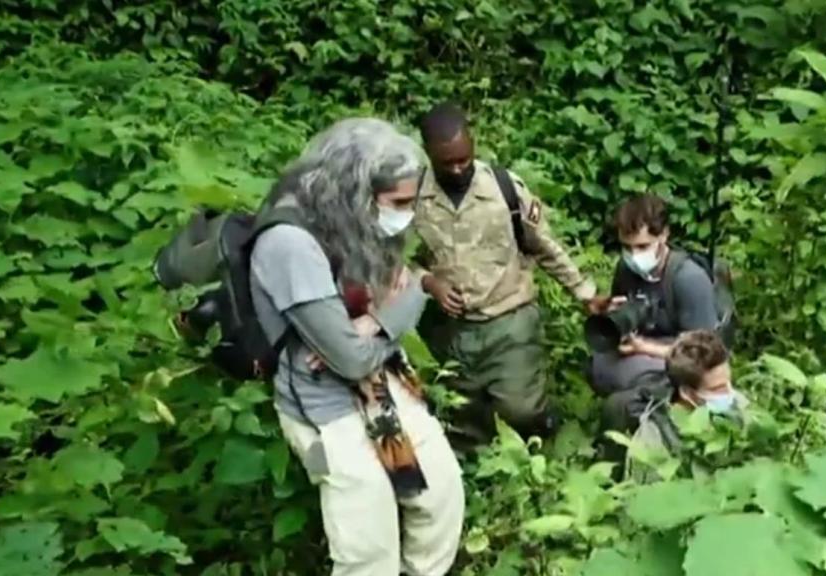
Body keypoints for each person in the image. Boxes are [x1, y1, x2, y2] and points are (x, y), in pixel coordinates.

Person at [249, 118, 465, 576]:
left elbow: (380, 299)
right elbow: (350, 358)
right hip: (321, 401)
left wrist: (370, 325)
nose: (406, 215)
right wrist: (410, 298)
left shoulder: (348, 217)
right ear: (357, 189)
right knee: (368, 545)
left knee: (440, 491)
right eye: (398, 203)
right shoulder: (289, 241)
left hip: (382, 380)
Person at [410, 101, 598, 449]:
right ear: (428, 153)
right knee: (463, 417)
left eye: (463, 159)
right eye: (446, 162)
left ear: (473, 143)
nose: (456, 169)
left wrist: (585, 292)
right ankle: (482, 474)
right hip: (451, 327)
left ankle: (542, 441)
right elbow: (396, 261)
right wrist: (428, 282)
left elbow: (544, 244)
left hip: (508, 317)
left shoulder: (503, 188)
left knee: (521, 411)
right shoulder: (412, 197)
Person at [588, 194, 721, 471]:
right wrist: (613, 316)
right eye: (627, 247)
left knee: (619, 405)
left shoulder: (688, 279)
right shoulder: (626, 268)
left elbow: (706, 354)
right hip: (646, 346)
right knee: (597, 365)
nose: (635, 256)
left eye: (643, 246)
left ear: (664, 235)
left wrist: (642, 348)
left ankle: (624, 451)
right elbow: (625, 315)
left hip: (684, 358)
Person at [621, 329, 750, 483]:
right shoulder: (651, 443)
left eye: (728, 383)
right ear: (687, 393)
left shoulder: (739, 406)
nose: (730, 393)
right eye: (717, 389)